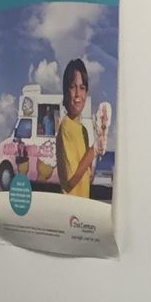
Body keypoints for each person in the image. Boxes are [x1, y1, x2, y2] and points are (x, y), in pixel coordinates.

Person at [56, 59, 94, 198]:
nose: (78, 94)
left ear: (86, 93)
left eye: (82, 88)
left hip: (83, 206)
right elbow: (71, 180)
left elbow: (87, 176)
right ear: (66, 92)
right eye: (73, 87)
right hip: (71, 207)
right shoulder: (65, 126)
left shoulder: (84, 131)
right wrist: (94, 150)